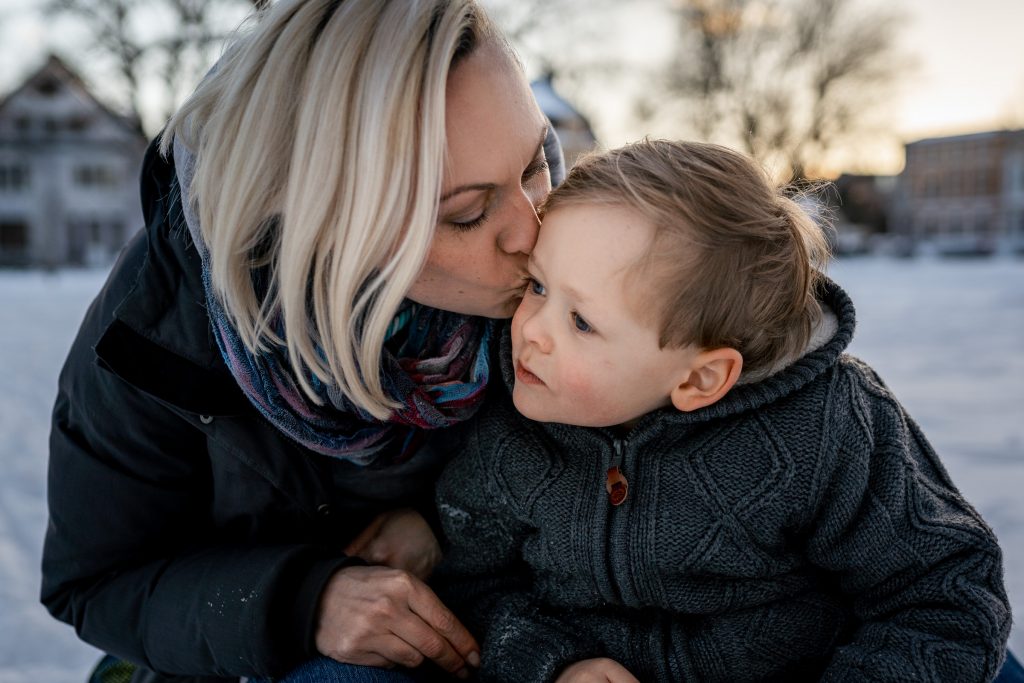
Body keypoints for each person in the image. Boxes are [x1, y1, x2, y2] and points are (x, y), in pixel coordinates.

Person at [41, 1, 563, 682]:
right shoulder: (159, 329)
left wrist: (449, 522)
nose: (531, 232)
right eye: (466, 212)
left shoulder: (574, 263)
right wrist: (301, 601)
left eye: (534, 167)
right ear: (327, 223)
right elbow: (97, 581)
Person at [430, 139, 1012, 682]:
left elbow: (944, 595)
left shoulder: (827, 429)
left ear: (700, 377)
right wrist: (554, 664)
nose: (531, 331)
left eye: (581, 321)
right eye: (536, 287)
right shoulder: (513, 428)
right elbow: (474, 583)